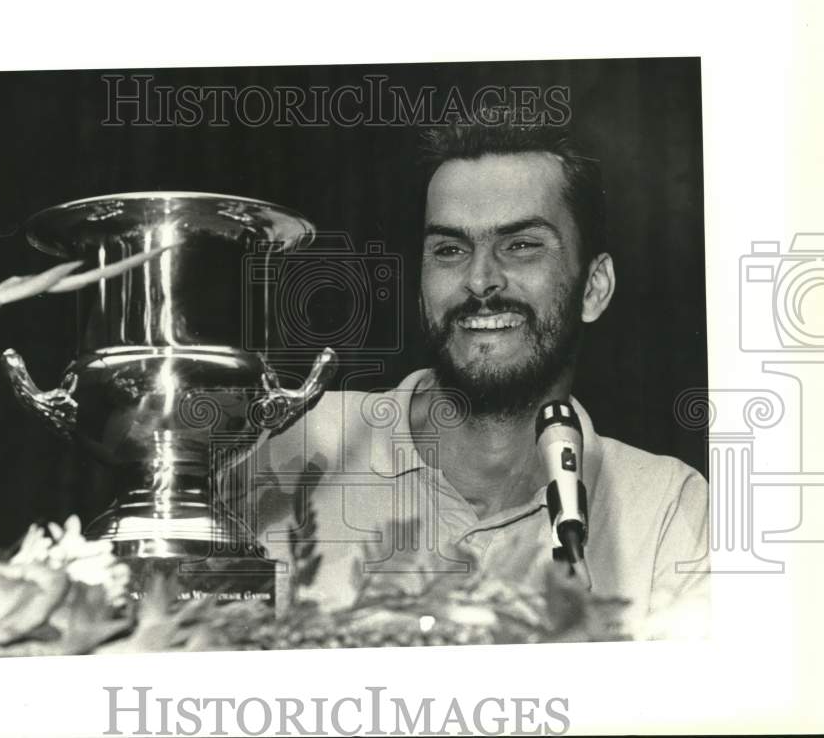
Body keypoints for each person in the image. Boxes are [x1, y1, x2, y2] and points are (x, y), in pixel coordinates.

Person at [231, 118, 709, 638]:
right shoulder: (293, 448)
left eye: (521, 245)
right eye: (450, 250)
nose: (480, 280)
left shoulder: (667, 507)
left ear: (593, 288)